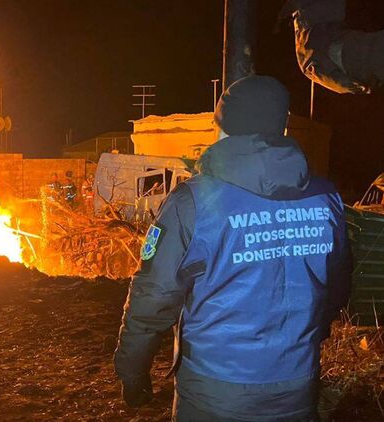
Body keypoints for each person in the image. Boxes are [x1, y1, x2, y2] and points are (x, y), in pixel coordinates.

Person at [114, 75, 352, 421]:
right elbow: (337, 288)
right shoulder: (325, 197)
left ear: (224, 127)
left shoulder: (194, 201)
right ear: (281, 126)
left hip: (213, 391)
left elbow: (153, 297)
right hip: (297, 385)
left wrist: (132, 372)